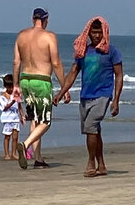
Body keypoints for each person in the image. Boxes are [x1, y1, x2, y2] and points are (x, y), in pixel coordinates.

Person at [53, 17, 124, 178]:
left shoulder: (112, 52)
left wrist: (116, 100)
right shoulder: (83, 51)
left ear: (105, 32)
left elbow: (119, 76)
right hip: (86, 96)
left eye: (100, 32)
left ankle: (91, 163)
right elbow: (72, 74)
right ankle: (102, 165)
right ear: (89, 33)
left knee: (91, 127)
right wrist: (60, 93)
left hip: (103, 95)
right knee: (94, 131)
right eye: (94, 32)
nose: (97, 35)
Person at [12, 7, 69, 170]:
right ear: (46, 20)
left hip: (25, 80)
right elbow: (56, 63)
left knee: (35, 119)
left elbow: (16, 62)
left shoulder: (21, 36)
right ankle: (26, 143)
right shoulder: (49, 36)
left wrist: (16, 84)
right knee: (46, 121)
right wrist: (65, 86)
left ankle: (38, 159)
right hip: (41, 80)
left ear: (32, 19)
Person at [0, 73, 23, 161]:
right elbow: (5, 107)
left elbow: (19, 105)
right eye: (9, 87)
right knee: (7, 136)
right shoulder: (3, 96)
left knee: (15, 137)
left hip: (15, 117)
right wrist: (12, 102)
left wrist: (22, 115)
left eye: (12, 87)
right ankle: (6, 154)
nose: (11, 89)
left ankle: (14, 153)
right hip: (7, 118)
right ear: (5, 86)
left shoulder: (15, 94)